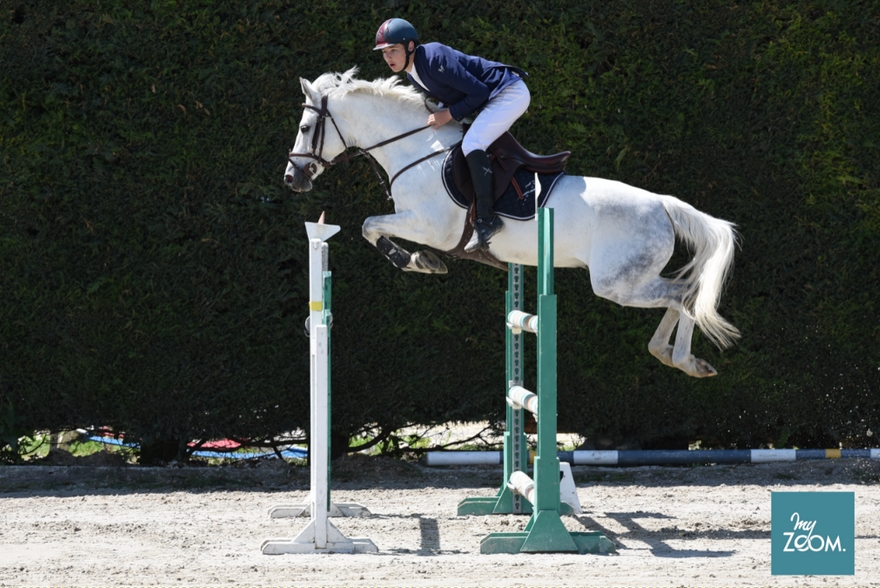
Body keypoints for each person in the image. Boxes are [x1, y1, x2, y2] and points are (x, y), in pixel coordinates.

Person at [374, 18, 531, 252]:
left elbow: (479, 91)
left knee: (472, 143)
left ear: (410, 47)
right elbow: (453, 95)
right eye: (384, 52)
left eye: (393, 50)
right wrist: (443, 112)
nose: (388, 58)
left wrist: (449, 114)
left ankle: (488, 219)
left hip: (508, 93)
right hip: (490, 99)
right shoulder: (412, 74)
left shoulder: (433, 58)